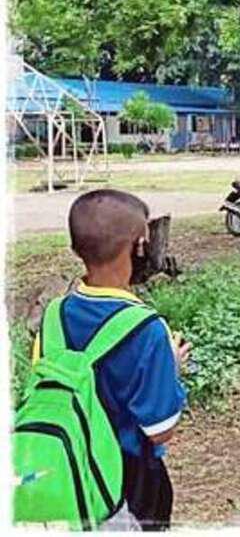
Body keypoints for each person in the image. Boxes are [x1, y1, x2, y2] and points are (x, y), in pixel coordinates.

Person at [30, 189, 189, 530]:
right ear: (140, 247)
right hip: (128, 485)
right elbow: (160, 430)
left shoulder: (53, 316)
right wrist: (172, 370)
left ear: (76, 249)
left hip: (66, 470)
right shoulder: (149, 329)